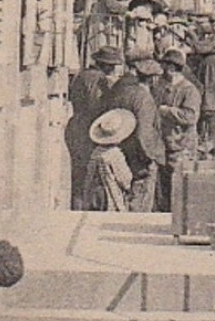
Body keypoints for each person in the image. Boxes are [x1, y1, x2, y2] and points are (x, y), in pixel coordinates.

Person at [67, 46, 123, 210]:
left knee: (78, 173)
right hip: (90, 129)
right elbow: (97, 105)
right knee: (89, 174)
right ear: (106, 65)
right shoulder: (100, 80)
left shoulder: (81, 75)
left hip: (75, 125)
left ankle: (76, 208)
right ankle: (84, 209)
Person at [106, 58, 166, 212]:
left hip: (122, 151)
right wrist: (150, 158)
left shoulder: (121, 92)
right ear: (153, 78)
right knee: (140, 207)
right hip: (140, 158)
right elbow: (143, 133)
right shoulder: (144, 98)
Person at [154, 47, 202, 168]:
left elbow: (191, 117)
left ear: (172, 68)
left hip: (181, 147)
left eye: (165, 67)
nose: (162, 71)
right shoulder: (161, 86)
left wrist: (167, 111)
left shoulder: (189, 90)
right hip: (164, 144)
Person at [84, 108, 137, 212]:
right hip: (111, 195)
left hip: (95, 193)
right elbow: (124, 179)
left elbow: (89, 174)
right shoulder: (115, 154)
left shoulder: (96, 152)